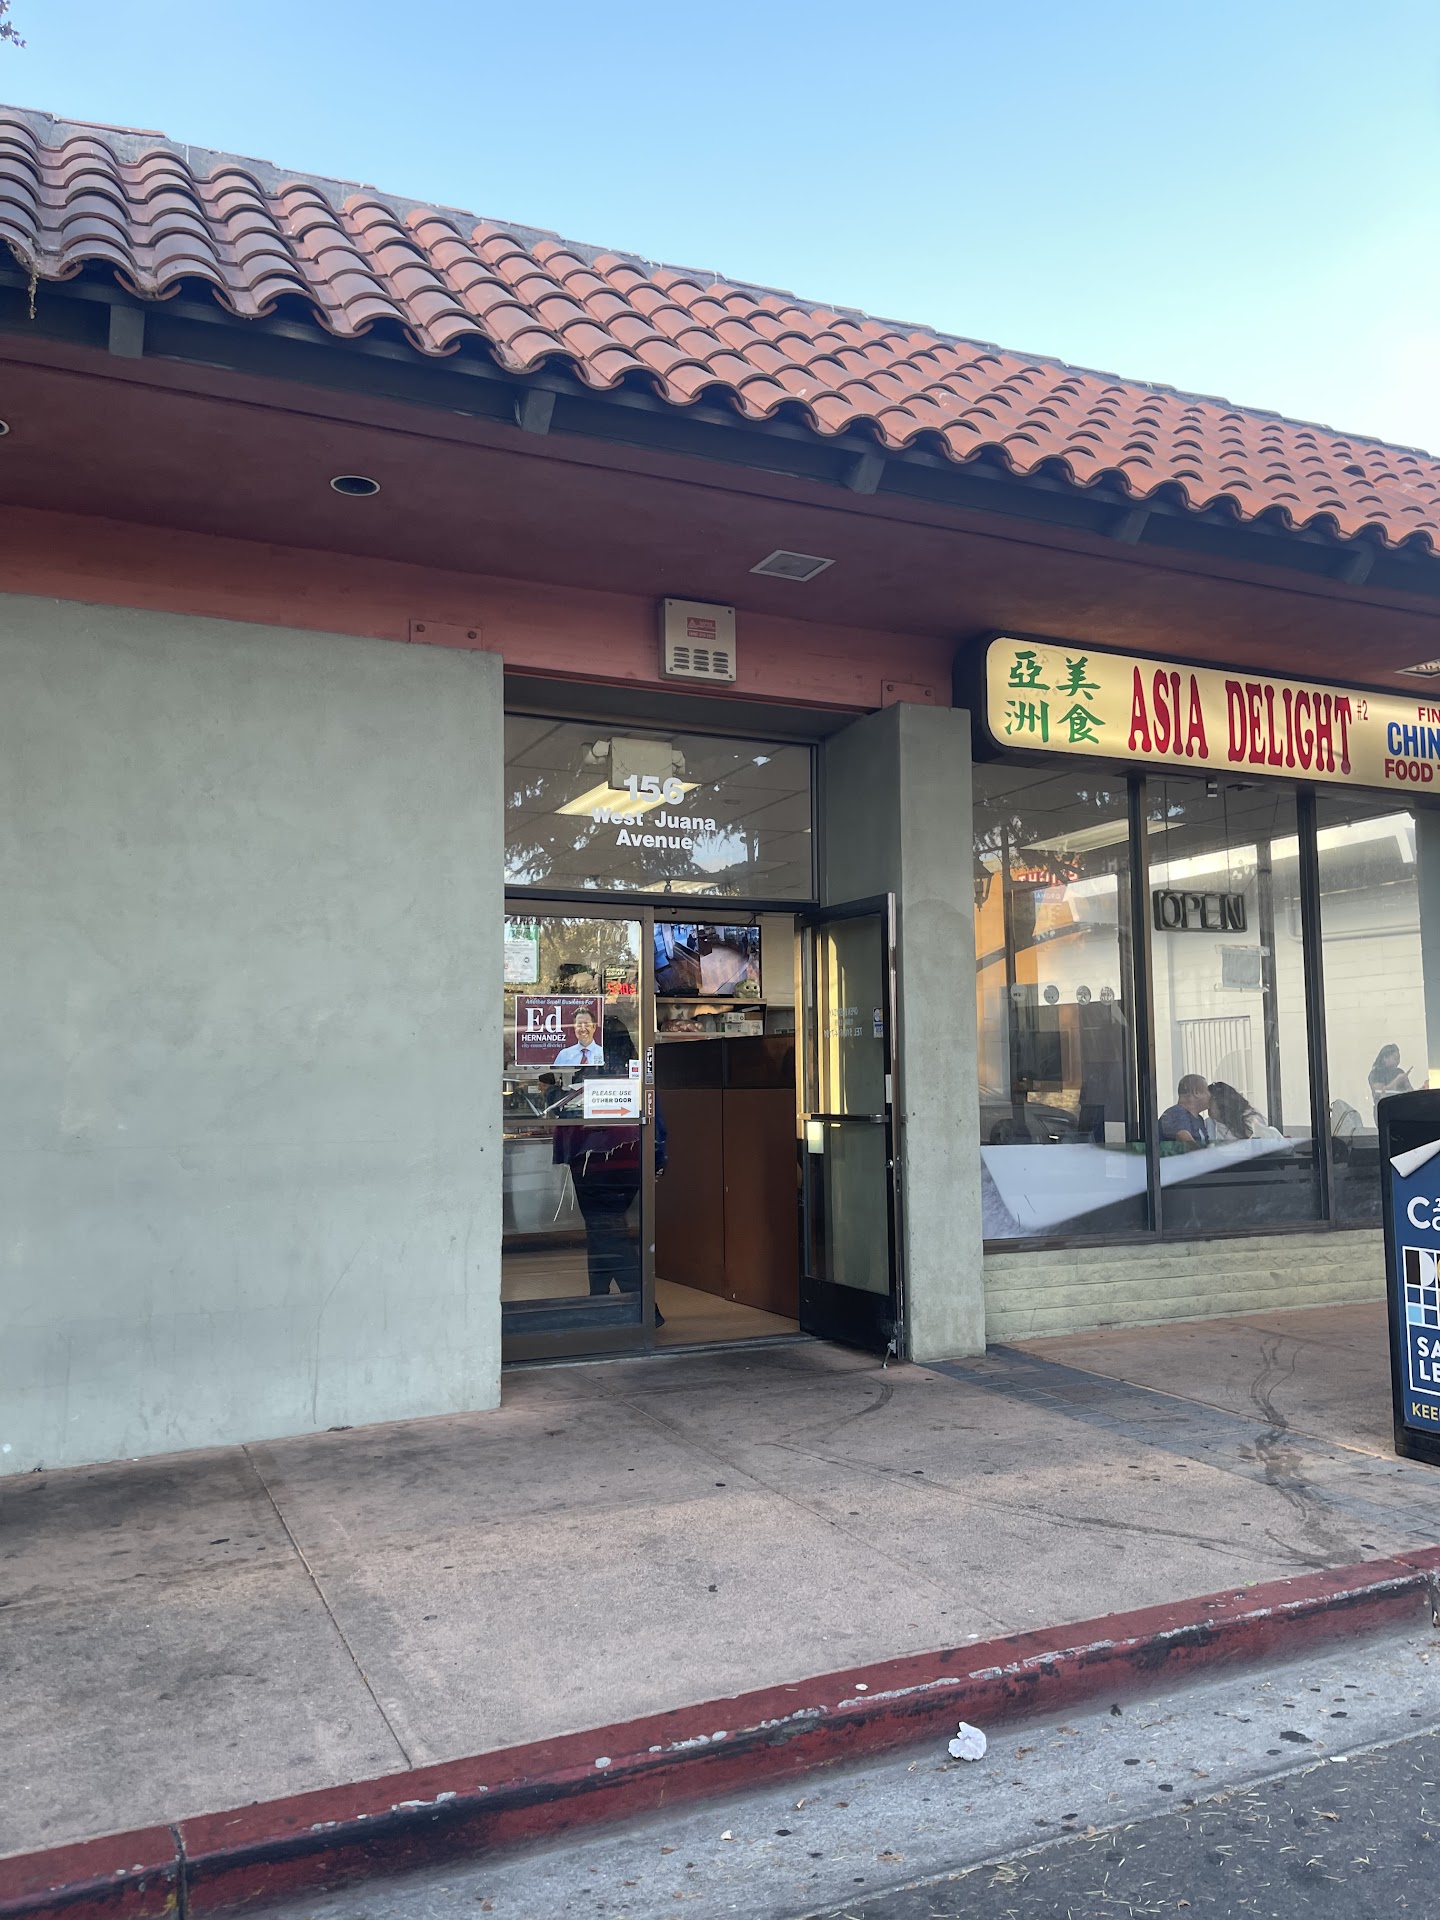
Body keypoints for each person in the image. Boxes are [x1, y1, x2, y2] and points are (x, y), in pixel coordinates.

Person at [1207, 1080, 1282, 1142]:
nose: (1207, 1106)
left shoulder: (1250, 1118)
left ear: (1221, 1102)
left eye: (1209, 1101)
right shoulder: (1210, 1124)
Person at [1159, 1074, 1212, 1148]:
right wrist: (1201, 1153)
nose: (1210, 1095)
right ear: (1196, 1092)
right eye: (1207, 1090)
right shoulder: (1177, 1113)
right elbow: (1184, 1137)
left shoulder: (1199, 1119)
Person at [1368, 1044, 1413, 1113]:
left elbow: (1410, 1091)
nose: (1398, 1061)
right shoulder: (1376, 1073)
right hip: (1384, 1110)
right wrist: (1397, 1080)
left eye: (1399, 1058)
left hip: (1401, 1108)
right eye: (1395, 1058)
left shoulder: (1400, 1072)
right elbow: (1379, 1092)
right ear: (1385, 1058)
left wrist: (1421, 1090)